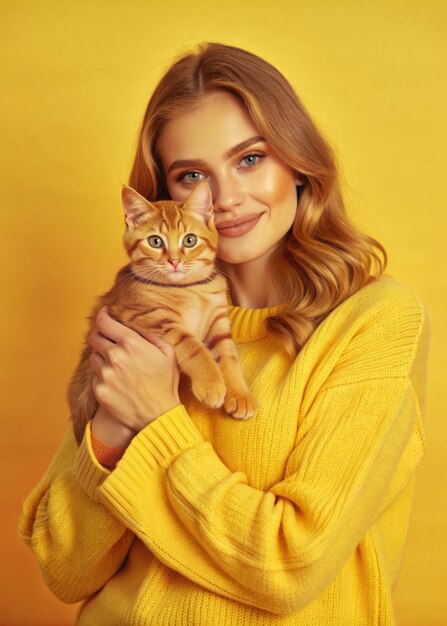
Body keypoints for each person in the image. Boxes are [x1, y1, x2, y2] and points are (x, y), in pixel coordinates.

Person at [19, 42, 430, 625]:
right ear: (166, 197)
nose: (226, 199)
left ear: (298, 162)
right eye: (192, 174)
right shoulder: (138, 315)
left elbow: (290, 568)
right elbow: (64, 569)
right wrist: (113, 428)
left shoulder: (375, 322)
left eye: (249, 159)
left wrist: (158, 419)